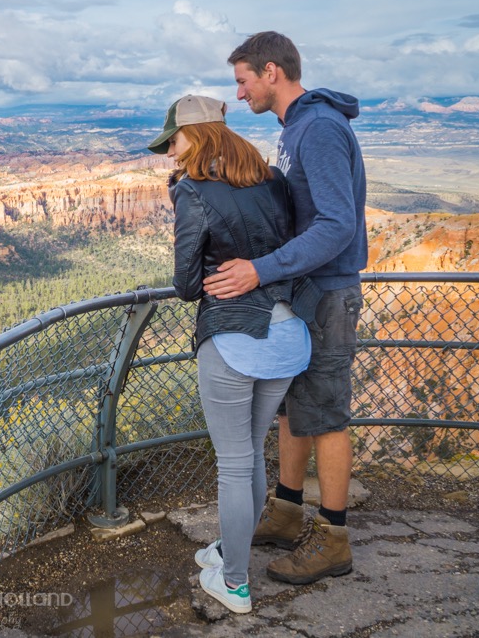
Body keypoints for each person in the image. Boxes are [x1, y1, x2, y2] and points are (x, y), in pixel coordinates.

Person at [204, 31, 368, 586]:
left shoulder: (317, 128)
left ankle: (333, 538)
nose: (240, 92)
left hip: (326, 292)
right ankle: (286, 507)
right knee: (293, 408)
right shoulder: (295, 128)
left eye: (242, 80)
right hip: (304, 291)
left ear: (271, 72)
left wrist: (261, 269)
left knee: (324, 414)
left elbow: (336, 224)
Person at [148, 95, 315, 613]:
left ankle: (236, 582)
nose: (171, 154)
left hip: (235, 339)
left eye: (172, 142)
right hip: (288, 334)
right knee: (249, 453)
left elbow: (184, 282)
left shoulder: (193, 191)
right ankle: (229, 549)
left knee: (234, 463)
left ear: (194, 137)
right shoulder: (271, 180)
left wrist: (215, 279)